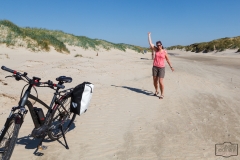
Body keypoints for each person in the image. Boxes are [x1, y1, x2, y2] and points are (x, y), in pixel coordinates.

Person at [148, 32, 174, 99]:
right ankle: (156, 90)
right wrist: (149, 35)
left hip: (161, 68)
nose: (159, 46)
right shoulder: (156, 50)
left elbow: (167, 60)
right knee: (154, 81)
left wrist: (171, 67)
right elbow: (150, 44)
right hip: (155, 67)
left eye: (160, 45)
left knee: (160, 81)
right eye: (158, 45)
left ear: (162, 45)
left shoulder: (164, 52)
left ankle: (162, 94)